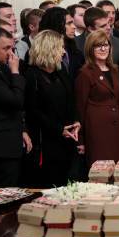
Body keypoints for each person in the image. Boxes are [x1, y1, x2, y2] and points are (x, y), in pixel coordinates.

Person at [24, 30, 80, 186]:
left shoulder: (61, 72)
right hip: (46, 141)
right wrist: (58, 129)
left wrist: (76, 121)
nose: (63, 51)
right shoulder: (32, 75)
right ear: (49, 48)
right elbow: (33, 111)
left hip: (67, 139)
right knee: (50, 184)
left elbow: (71, 100)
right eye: (60, 47)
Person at [74, 29, 119, 167]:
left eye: (106, 45)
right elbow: (80, 108)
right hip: (97, 131)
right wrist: (81, 140)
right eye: (98, 46)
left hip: (117, 130)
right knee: (101, 172)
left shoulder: (115, 70)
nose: (103, 49)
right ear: (90, 49)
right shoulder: (85, 74)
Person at [0, 27, 29, 187]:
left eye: (12, 47)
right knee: (4, 192)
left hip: (7, 140)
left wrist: (23, 129)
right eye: (6, 48)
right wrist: (15, 72)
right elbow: (15, 101)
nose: (11, 53)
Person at [39, 6, 85, 82]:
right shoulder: (39, 54)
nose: (74, 27)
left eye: (73, 23)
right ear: (57, 25)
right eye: (69, 23)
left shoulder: (76, 52)